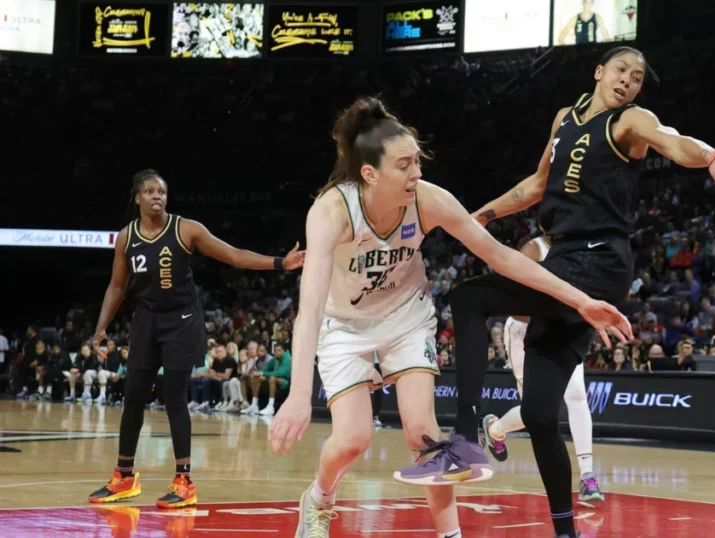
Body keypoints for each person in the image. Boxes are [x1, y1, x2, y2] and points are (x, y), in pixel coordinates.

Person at [399, 45, 715, 538]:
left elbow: (674, 143)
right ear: (598, 72)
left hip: (600, 261)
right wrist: (479, 216)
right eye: (621, 71)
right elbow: (536, 186)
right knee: (541, 415)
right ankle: (566, 532)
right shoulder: (565, 119)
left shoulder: (631, 121)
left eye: (636, 77)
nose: (628, 81)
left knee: (469, 298)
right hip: (563, 257)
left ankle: (463, 435)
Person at [266, 96, 632, 538]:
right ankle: (320, 497)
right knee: (353, 440)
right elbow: (309, 307)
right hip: (343, 326)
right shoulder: (330, 212)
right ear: (370, 173)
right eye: (404, 165)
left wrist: (580, 301)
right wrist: (299, 394)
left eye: (418, 161)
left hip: (406, 317)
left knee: (424, 434)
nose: (416, 172)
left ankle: (450, 535)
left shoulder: (428, 199)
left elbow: (502, 257)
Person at [87, 169, 305, 508]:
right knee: (132, 398)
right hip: (145, 319)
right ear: (137, 198)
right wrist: (101, 328)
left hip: (182, 320)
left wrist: (281, 262)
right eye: (149, 191)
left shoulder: (186, 229)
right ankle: (124, 477)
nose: (157, 196)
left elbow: (232, 255)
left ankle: (184, 482)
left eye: (161, 191)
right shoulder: (126, 237)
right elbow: (117, 286)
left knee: (174, 400)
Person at [481, 231, 605, 502]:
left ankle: (587, 476)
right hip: (525, 331)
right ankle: (495, 429)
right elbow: (515, 304)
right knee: (536, 412)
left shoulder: (581, 248)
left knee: (576, 396)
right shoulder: (532, 250)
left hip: (563, 330)